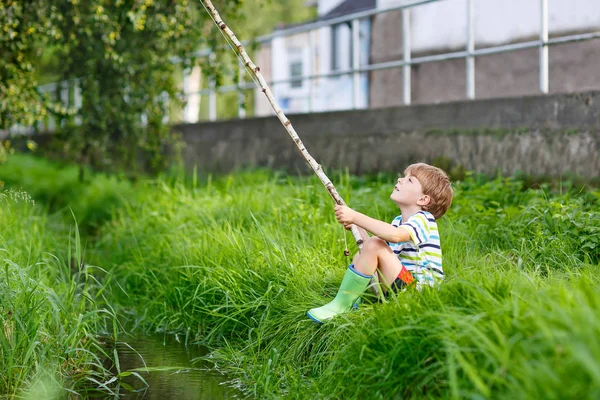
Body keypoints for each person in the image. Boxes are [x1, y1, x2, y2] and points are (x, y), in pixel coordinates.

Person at [307, 163, 453, 324]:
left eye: (409, 180)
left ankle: (341, 304)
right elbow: (372, 250)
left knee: (376, 244)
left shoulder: (424, 219)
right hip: (403, 284)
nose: (400, 179)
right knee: (363, 253)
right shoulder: (398, 221)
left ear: (423, 199)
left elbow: (395, 236)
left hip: (419, 294)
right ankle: (357, 299)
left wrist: (355, 216)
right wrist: (357, 227)